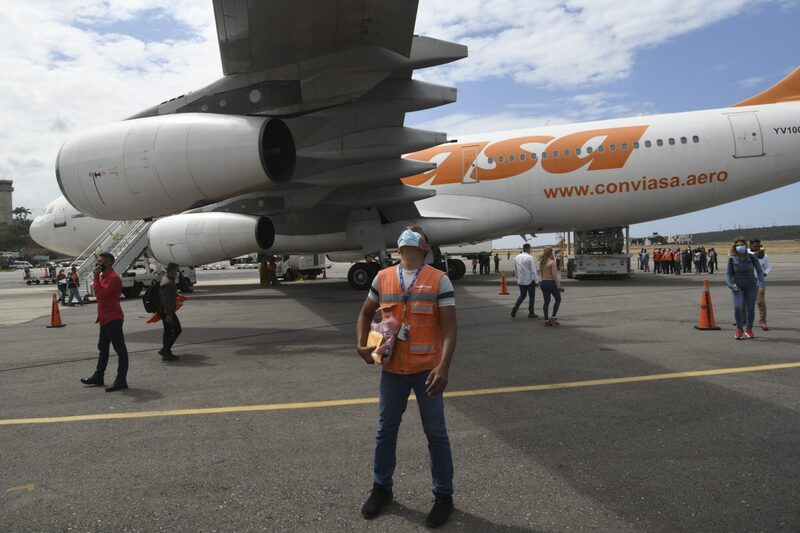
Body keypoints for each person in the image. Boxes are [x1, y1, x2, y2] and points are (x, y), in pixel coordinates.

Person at [356, 227, 457, 528]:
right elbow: (365, 314)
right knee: (385, 431)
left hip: (427, 371)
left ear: (425, 246)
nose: (408, 235)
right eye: (406, 233)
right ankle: (381, 488)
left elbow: (450, 329)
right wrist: (361, 344)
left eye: (415, 234)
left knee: (436, 434)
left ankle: (443, 496)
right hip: (392, 372)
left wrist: (444, 367)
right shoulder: (383, 277)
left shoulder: (439, 279)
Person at [80, 253, 129, 392]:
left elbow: (100, 295)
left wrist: (95, 277)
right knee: (103, 348)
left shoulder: (113, 278)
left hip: (113, 318)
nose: (97, 264)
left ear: (107, 263)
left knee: (120, 350)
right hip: (104, 318)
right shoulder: (104, 276)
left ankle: (121, 380)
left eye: (99, 262)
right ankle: (98, 376)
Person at [726, 237, 765, 340]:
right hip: (737, 286)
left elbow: (760, 272)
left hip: (751, 285)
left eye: (742, 245)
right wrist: (730, 284)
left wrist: (761, 285)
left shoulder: (752, 257)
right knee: (738, 307)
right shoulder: (732, 258)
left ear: (746, 246)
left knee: (750, 308)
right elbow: (729, 274)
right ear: (735, 247)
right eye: (738, 245)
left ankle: (749, 329)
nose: (740, 247)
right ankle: (739, 329)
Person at [158, 263, 182, 361]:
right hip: (167, 310)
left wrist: (175, 293)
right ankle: (165, 350)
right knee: (177, 329)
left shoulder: (168, 280)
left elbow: (168, 295)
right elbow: (165, 299)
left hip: (165, 310)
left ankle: (166, 353)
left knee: (168, 331)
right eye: (176, 271)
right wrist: (168, 314)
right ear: (171, 270)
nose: (177, 273)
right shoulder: (167, 282)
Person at [511, 243, 539, 318]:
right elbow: (533, 271)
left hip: (521, 280)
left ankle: (515, 307)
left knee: (522, 295)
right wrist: (536, 281)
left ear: (523, 249)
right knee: (532, 296)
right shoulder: (529, 257)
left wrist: (518, 277)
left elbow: (515, 269)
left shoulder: (517, 257)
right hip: (529, 281)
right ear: (528, 249)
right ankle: (531, 313)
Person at [749, 239, 771, 331]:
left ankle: (762, 322)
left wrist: (765, 273)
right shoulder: (745, 253)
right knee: (744, 302)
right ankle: (742, 319)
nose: (757, 248)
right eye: (755, 246)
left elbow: (768, 267)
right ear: (750, 246)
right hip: (747, 281)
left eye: (759, 246)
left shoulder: (764, 256)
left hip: (759, 280)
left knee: (760, 302)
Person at [538, 247, 562, 326]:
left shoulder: (542, 262)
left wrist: (543, 281)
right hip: (551, 282)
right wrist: (558, 284)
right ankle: (553, 317)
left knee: (546, 302)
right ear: (551, 252)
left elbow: (541, 274)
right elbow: (554, 274)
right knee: (558, 299)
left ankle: (546, 320)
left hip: (543, 283)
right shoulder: (552, 261)